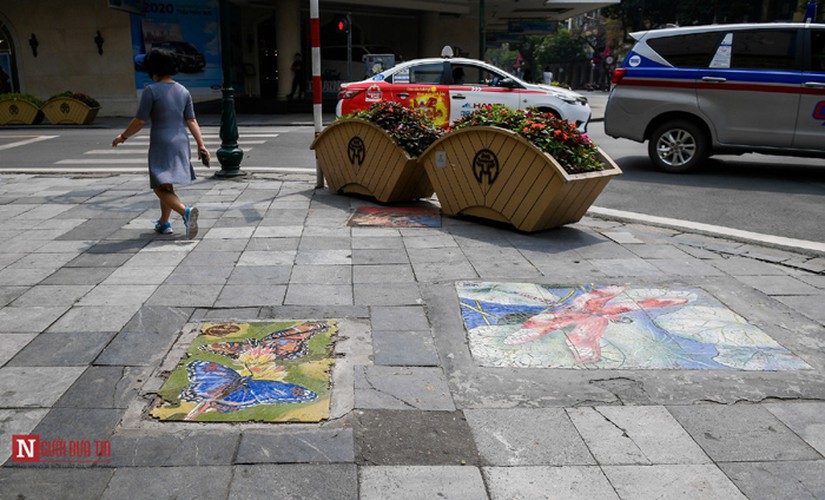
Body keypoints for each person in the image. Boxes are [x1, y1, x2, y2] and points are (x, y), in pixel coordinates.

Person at [112, 47, 209, 239]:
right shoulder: (183, 90)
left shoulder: (151, 91)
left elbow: (140, 120)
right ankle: (164, 223)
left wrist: (123, 136)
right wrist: (201, 144)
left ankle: (185, 212)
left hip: (161, 142)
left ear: (153, 69)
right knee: (167, 184)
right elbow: (191, 120)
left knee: (158, 185)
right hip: (181, 141)